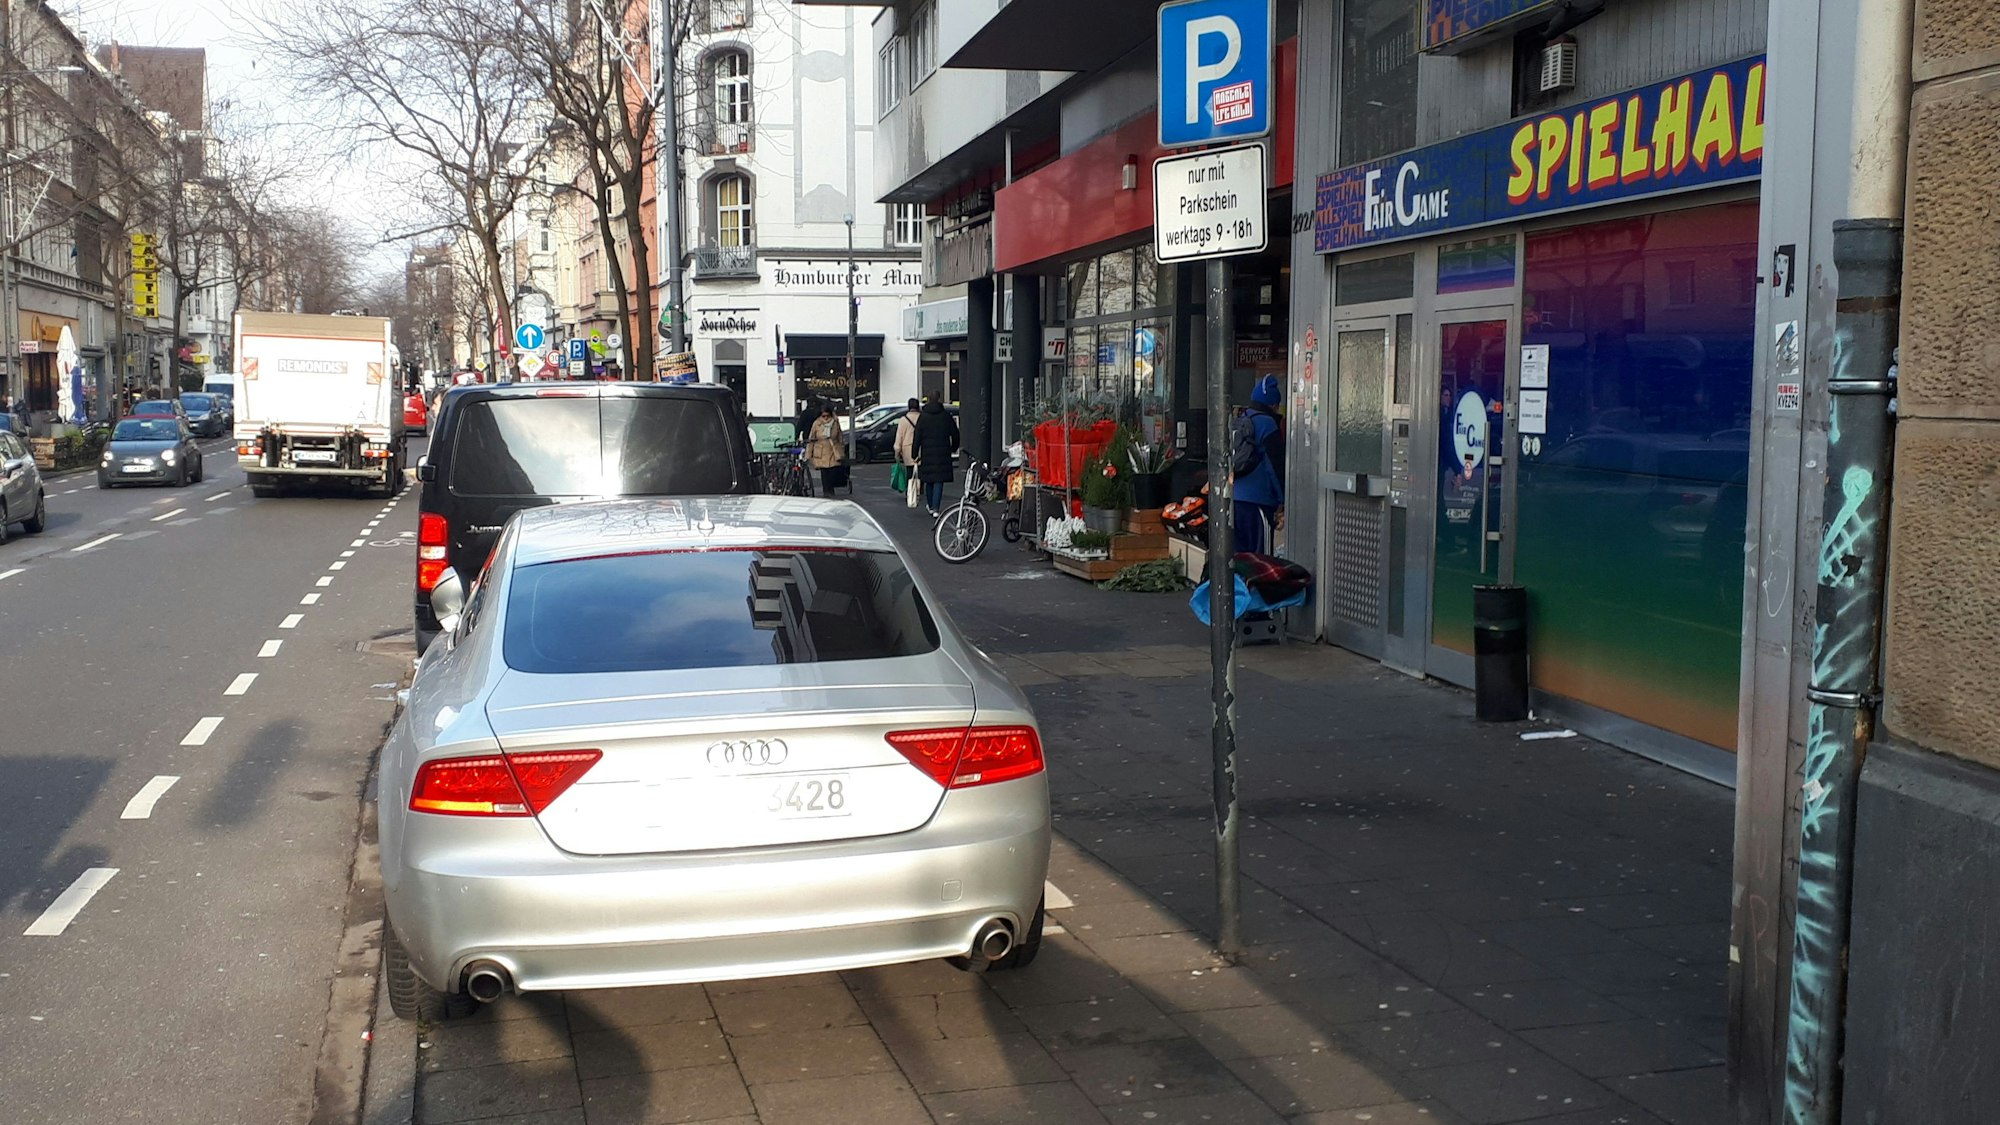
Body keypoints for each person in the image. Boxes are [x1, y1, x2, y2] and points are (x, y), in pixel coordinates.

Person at [1230, 373, 1286, 554]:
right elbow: (1274, 467)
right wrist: (1283, 500)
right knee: (1259, 561)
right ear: (1273, 405)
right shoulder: (1267, 424)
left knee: (1239, 558)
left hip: (1234, 500)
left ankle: (1241, 584)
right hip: (1258, 503)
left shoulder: (1240, 419)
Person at [913, 394, 959, 517]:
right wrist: (953, 448)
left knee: (928, 480)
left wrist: (914, 453)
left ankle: (930, 505)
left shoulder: (923, 417)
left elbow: (917, 436)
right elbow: (955, 433)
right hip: (943, 452)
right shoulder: (945, 416)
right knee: (939, 480)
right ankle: (936, 508)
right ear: (939, 400)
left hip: (927, 453)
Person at [806, 403, 846, 496]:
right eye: (823, 416)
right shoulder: (816, 423)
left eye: (827, 415)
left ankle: (830, 488)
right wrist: (809, 454)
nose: (826, 418)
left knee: (833, 471)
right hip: (821, 450)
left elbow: (840, 435)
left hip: (833, 449)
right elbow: (811, 438)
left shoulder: (835, 422)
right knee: (824, 472)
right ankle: (826, 491)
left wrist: (841, 448)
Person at [891, 397, 921, 488]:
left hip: (907, 449)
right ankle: (919, 488)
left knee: (909, 471)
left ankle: (910, 489)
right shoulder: (922, 417)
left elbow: (899, 436)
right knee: (920, 470)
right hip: (920, 447)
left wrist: (897, 451)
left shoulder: (904, 420)